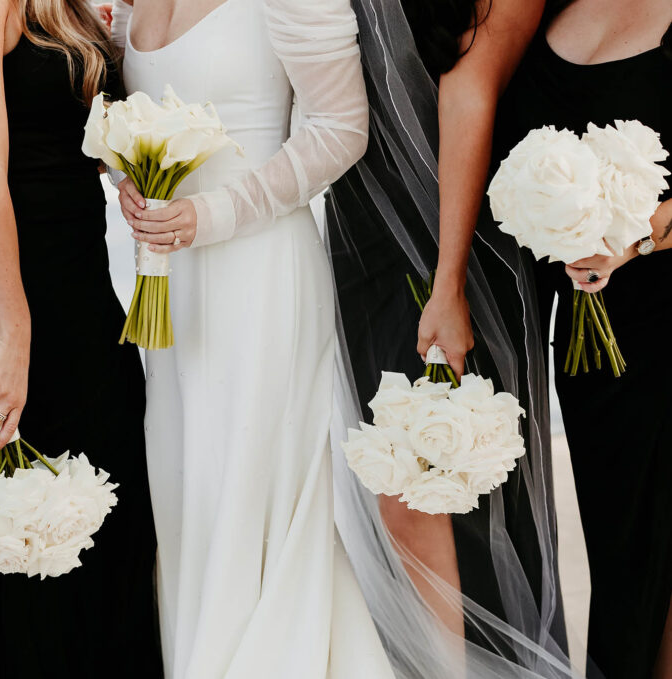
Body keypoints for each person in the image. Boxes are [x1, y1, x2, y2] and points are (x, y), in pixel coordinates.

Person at [111, 0, 396, 677]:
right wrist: (129, 179)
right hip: (173, 277)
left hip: (259, 270)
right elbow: (130, 115)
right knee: (185, 486)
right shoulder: (127, 5)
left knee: (245, 484)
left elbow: (341, 128)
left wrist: (215, 213)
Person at [326, 0, 578, 676]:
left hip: (458, 241)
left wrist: (449, 282)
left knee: (457, 484)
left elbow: (470, 90)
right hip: (358, 231)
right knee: (390, 478)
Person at [0, 0, 161, 676]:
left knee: (113, 508)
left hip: (79, 276)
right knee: (33, 535)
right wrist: (15, 331)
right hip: (2, 290)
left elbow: (81, 135)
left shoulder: (64, 6)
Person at [492, 1, 672, 675]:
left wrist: (632, 238)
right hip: (592, 348)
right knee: (621, 561)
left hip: (663, 319)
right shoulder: (545, 10)